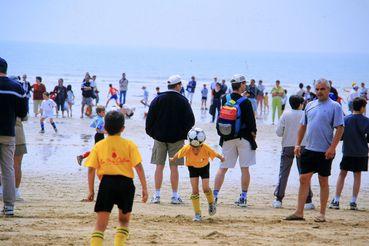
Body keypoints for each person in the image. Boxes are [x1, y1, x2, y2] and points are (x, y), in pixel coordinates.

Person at [84, 110, 148, 246]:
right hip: (126, 184)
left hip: (106, 184)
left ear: (105, 129)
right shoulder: (130, 144)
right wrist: (144, 188)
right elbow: (139, 167)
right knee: (124, 221)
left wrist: (91, 190)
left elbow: (91, 169)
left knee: (100, 225)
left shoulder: (99, 146)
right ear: (123, 128)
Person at [285, 78, 344, 223]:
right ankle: (299, 212)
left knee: (323, 181)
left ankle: (322, 214)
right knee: (303, 179)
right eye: (317, 89)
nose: (319, 92)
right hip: (309, 149)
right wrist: (297, 144)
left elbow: (340, 128)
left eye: (322, 89)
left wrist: (332, 147)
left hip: (325, 151)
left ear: (328, 90)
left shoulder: (335, 106)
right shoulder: (309, 105)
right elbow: (302, 126)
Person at [146, 75, 195, 204]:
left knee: (159, 166)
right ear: (177, 85)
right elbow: (191, 121)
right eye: (181, 85)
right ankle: (174, 196)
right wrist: (183, 133)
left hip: (159, 138)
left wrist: (153, 134)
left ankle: (156, 195)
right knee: (174, 168)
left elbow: (149, 120)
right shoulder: (183, 100)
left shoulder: (157, 99)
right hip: (177, 139)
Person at [213, 74, 257, 207]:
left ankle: (214, 196)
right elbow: (251, 124)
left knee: (223, 168)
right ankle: (243, 197)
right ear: (242, 84)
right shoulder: (246, 102)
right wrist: (253, 137)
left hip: (227, 137)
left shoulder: (224, 98)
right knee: (245, 169)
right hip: (244, 138)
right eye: (245, 83)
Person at [170, 128, 224, 221]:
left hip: (204, 168)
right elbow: (178, 154)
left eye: (197, 148)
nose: (195, 150)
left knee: (205, 188)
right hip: (192, 168)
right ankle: (197, 214)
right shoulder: (187, 148)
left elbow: (215, 153)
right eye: (193, 148)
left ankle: (211, 204)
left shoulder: (205, 147)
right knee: (195, 191)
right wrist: (173, 159)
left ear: (201, 144)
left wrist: (221, 157)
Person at [273, 95, 314, 209]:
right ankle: (308, 200)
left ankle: (278, 199)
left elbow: (278, 132)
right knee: (304, 174)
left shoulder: (286, 114)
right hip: (303, 146)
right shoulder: (305, 114)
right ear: (301, 104)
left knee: (284, 173)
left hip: (287, 146)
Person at [329, 97, 369, 210]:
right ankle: (353, 201)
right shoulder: (367, 121)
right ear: (362, 108)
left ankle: (336, 200)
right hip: (361, 153)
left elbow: (340, 136)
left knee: (342, 174)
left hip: (348, 151)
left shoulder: (345, 119)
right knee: (357, 175)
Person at [0, 57, 28, 216]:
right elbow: (23, 113)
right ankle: (9, 206)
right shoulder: (16, 87)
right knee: (8, 169)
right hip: (8, 132)